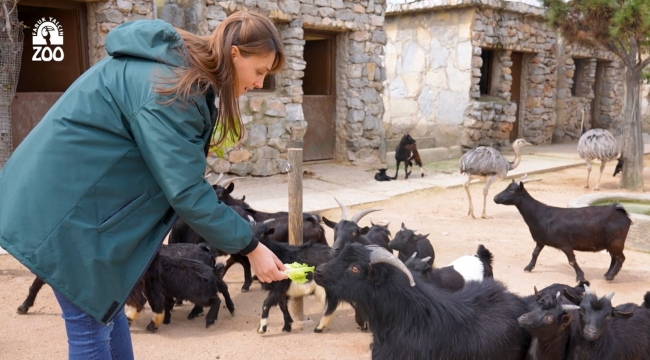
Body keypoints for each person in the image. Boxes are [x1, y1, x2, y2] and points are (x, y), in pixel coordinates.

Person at [0, 11, 287, 360]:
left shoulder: (174, 75)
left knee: (105, 312)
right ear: (235, 54)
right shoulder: (172, 88)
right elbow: (186, 192)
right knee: (90, 330)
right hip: (63, 212)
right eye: (259, 71)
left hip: (77, 204)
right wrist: (251, 246)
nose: (259, 83)